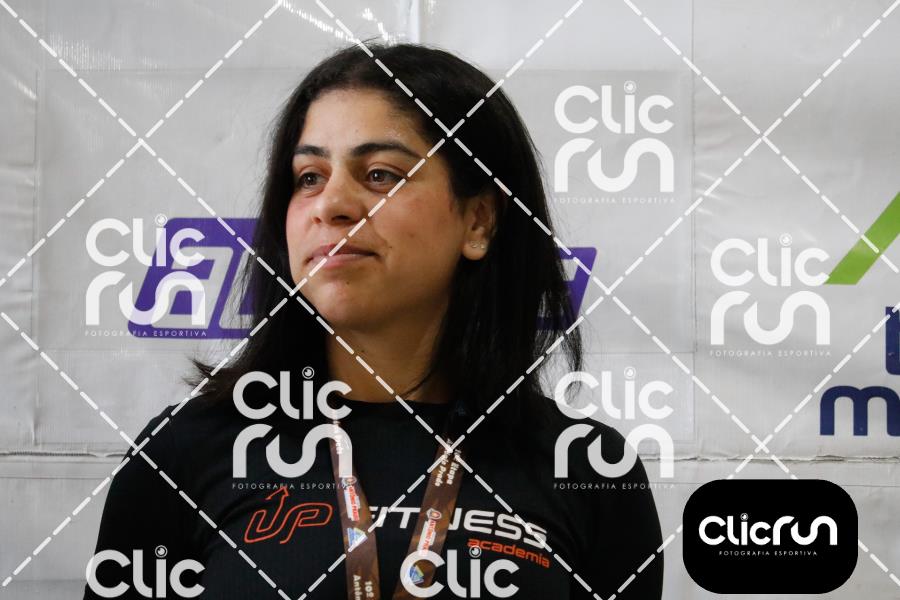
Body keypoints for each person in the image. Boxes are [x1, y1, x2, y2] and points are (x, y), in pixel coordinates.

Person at [84, 42, 664, 599]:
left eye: (380, 174)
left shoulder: (588, 470)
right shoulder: (183, 453)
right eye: (308, 177)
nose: (330, 204)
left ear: (478, 222)